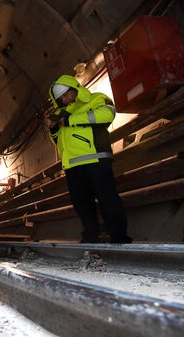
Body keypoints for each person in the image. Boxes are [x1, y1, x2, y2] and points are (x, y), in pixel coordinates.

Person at [45, 74, 132, 243]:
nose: (65, 100)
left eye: (65, 95)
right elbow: (60, 142)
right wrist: (54, 129)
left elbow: (108, 114)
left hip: (96, 160)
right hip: (72, 166)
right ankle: (91, 236)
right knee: (82, 204)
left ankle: (119, 236)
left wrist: (71, 120)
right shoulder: (62, 114)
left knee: (107, 198)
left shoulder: (95, 99)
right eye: (61, 99)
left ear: (73, 89)